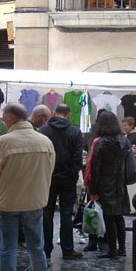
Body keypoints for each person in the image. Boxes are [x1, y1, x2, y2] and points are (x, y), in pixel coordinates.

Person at [0, 103, 55, 271]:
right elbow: (48, 171)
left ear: (13, 119)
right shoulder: (45, 141)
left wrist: (5, 185)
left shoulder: (3, 142)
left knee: (7, 249)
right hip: (35, 201)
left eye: (5, 120)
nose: (4, 123)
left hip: (9, 202)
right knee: (37, 248)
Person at [39, 103, 84, 259]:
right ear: (69, 114)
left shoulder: (43, 131)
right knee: (66, 213)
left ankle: (45, 249)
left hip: (47, 178)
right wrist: (72, 175)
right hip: (67, 180)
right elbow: (78, 157)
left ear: (53, 112)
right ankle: (67, 249)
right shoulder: (75, 131)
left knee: (46, 213)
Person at [88, 110, 132, 259]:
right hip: (119, 183)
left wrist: (92, 190)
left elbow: (96, 168)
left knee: (109, 217)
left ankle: (112, 249)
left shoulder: (101, 143)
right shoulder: (124, 140)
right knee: (119, 216)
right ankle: (122, 248)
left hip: (105, 184)